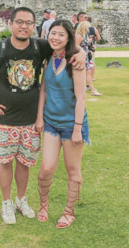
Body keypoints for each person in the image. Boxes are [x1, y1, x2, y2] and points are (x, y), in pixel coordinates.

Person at [0, 7, 86, 225]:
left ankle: (21, 200)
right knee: (5, 161)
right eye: (19, 22)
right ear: (10, 24)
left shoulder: (39, 46)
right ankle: (6, 203)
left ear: (34, 26)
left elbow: (70, 46)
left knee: (24, 162)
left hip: (32, 119)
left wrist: (82, 53)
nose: (24, 26)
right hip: (6, 118)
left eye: (29, 22)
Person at [35, 19, 89, 228]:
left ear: (68, 38)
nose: (55, 38)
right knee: (46, 168)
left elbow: (81, 98)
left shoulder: (75, 62)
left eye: (61, 34)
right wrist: (40, 117)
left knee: (72, 169)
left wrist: (77, 129)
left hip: (71, 124)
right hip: (51, 121)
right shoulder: (49, 58)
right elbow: (44, 90)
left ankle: (69, 212)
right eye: (53, 33)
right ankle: (43, 205)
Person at [76, 20, 101, 96]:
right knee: (87, 72)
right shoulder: (79, 36)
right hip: (81, 57)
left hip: (85, 56)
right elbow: (76, 47)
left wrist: (89, 48)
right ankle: (92, 89)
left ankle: (90, 89)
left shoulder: (84, 36)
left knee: (87, 72)